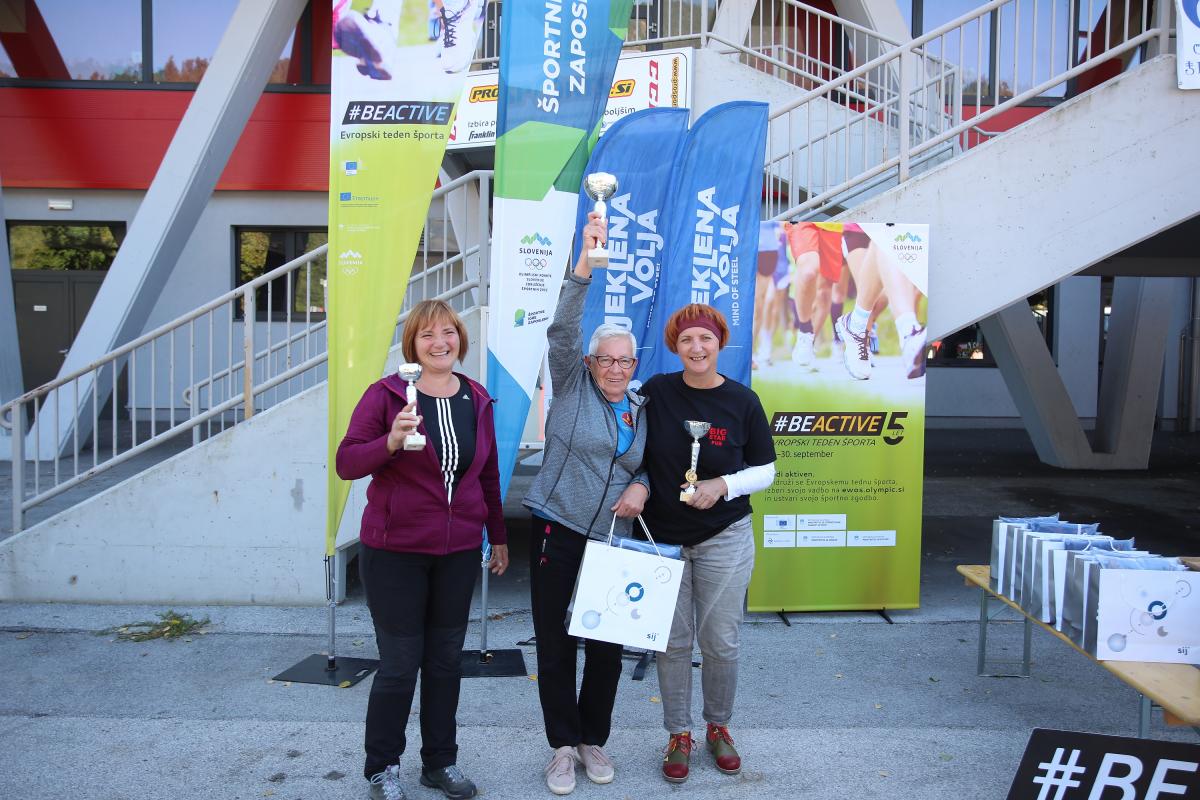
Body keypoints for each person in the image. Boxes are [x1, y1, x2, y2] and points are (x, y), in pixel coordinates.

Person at [335, 299, 509, 800]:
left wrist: (497, 534)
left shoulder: (476, 397)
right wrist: (390, 441)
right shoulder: (387, 395)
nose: (440, 342)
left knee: (445, 661)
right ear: (412, 344)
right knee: (400, 662)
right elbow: (347, 462)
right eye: (427, 334)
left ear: (460, 339)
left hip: (457, 551)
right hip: (395, 551)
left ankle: (440, 762)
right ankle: (382, 768)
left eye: (448, 332)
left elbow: (488, 473)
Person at [523, 212, 651, 796]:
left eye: (625, 360)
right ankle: (560, 747)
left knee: (605, 645)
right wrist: (583, 264)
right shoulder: (572, 386)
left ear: (634, 365)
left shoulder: (641, 409)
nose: (616, 368)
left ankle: (591, 739)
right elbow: (563, 328)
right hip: (558, 525)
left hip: (611, 539)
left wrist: (642, 485)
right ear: (590, 363)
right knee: (555, 640)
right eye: (607, 359)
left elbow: (648, 464)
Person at [637, 305, 776, 784]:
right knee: (671, 643)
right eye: (686, 340)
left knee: (720, 640)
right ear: (675, 347)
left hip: (725, 536)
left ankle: (718, 727)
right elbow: (632, 448)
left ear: (720, 344)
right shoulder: (656, 392)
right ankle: (678, 734)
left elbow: (766, 470)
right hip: (663, 539)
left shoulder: (742, 401)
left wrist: (723, 485)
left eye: (705, 339)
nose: (696, 348)